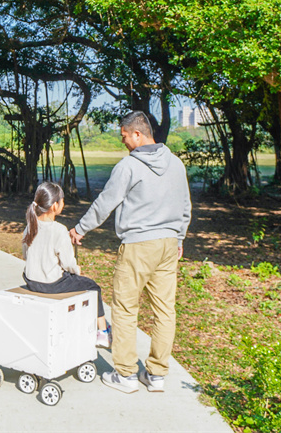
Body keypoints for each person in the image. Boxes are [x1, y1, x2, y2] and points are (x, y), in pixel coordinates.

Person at [69, 111, 191, 394]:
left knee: (125, 309)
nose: (122, 141)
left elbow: (105, 202)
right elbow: (185, 205)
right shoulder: (175, 164)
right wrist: (179, 237)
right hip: (168, 245)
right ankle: (156, 375)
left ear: (137, 134)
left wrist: (80, 229)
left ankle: (125, 375)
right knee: (164, 311)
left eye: (124, 136)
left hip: (138, 245)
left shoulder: (128, 166)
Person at [22, 181, 111, 348]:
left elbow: (25, 254)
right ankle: (103, 332)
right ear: (55, 205)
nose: (63, 203)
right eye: (62, 201)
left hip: (31, 280)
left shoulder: (30, 226)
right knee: (92, 286)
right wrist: (77, 270)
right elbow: (69, 263)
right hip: (51, 284)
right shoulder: (59, 230)